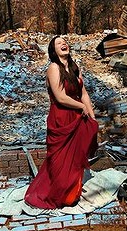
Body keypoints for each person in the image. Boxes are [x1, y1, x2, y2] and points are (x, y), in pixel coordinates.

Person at [24, 35, 98, 209]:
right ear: (54, 50)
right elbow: (60, 96)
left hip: (78, 116)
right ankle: (55, 193)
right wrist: (81, 106)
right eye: (58, 43)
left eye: (65, 41)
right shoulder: (53, 68)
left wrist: (92, 117)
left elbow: (84, 93)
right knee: (59, 160)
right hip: (61, 118)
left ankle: (71, 195)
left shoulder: (74, 67)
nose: (63, 44)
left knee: (76, 158)